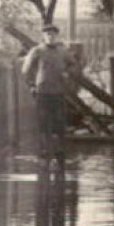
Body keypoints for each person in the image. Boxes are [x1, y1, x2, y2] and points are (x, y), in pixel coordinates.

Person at [22, 22, 80, 159]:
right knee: (43, 123)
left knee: (59, 123)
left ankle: (60, 153)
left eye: (53, 34)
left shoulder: (63, 51)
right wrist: (31, 85)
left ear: (56, 35)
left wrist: (67, 72)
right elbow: (25, 70)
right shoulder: (37, 51)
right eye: (48, 34)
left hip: (59, 92)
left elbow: (74, 65)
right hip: (42, 92)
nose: (51, 37)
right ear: (43, 36)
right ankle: (44, 152)